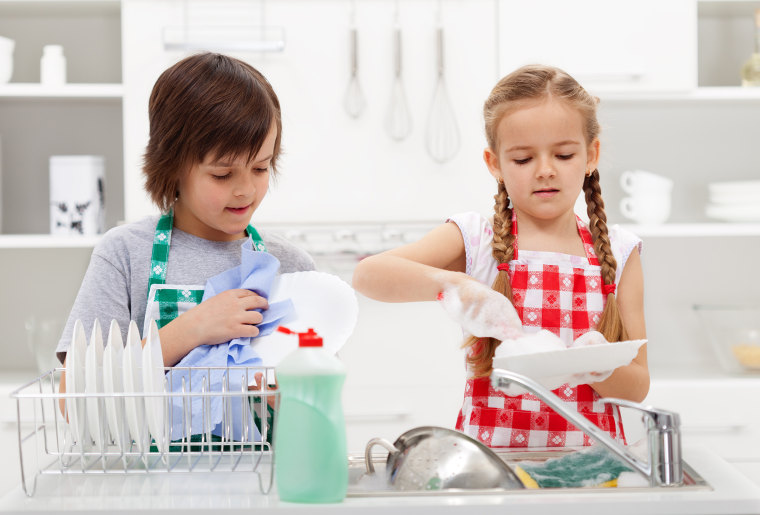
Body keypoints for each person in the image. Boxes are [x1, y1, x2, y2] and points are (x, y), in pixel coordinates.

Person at [352, 64, 648, 448]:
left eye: (563, 154)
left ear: (591, 155)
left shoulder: (621, 250)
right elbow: (369, 275)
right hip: (491, 471)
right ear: (495, 164)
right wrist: (453, 284)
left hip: (591, 473)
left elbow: (637, 387)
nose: (544, 171)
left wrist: (596, 365)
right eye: (523, 159)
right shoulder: (477, 239)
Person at [56, 52, 315, 393]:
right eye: (222, 174)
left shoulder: (294, 267)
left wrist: (287, 397)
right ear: (173, 167)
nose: (246, 190)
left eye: (261, 168)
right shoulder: (125, 254)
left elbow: (321, 401)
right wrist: (191, 329)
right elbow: (72, 400)